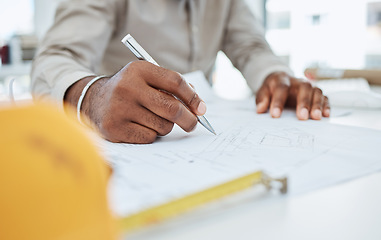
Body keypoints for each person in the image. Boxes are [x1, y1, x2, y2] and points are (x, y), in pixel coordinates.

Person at [31, 0, 330, 144]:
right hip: (123, 151)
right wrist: (93, 97)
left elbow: (250, 46)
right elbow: (54, 58)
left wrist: (274, 76)